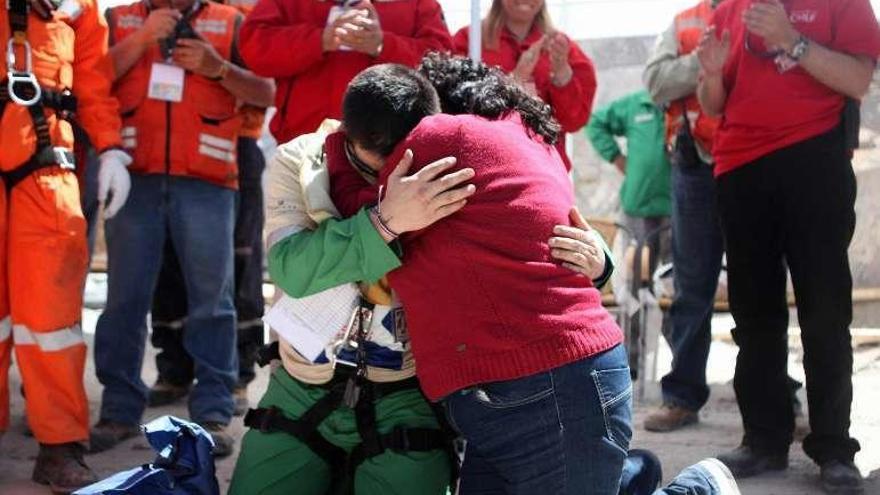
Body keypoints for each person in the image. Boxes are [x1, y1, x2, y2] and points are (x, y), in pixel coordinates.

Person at [696, 0, 880, 492]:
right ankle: (763, 439)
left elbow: (858, 80)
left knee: (824, 310)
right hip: (739, 167)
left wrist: (791, 41)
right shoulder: (731, 9)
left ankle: (835, 448)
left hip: (815, 160)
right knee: (753, 314)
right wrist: (711, 75)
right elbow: (713, 103)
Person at [90, 0, 274, 458]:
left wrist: (218, 68)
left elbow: (266, 92)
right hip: (136, 177)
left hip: (209, 181)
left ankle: (212, 412)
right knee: (125, 300)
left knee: (214, 301)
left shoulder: (232, 22)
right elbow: (90, 81)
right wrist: (141, 40)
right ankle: (118, 410)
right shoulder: (118, 20)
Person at [0, 0, 131, 490]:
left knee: (52, 320)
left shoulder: (80, 7)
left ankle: (59, 446)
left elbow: (96, 84)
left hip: (47, 167)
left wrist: (112, 148)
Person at [146, 0, 271, 417]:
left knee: (238, 268)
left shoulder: (244, 15)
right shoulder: (149, 13)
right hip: (166, 156)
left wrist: (217, 67)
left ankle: (235, 375)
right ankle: (175, 370)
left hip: (234, 152)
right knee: (167, 264)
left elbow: (268, 89)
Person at [640, 0, 724, 433]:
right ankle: (682, 396)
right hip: (695, 165)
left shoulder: (771, 12)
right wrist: (707, 63)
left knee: (761, 285)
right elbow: (656, 82)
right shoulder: (685, 22)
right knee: (692, 286)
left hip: (756, 161)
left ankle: (776, 397)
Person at [238, 0, 452, 144]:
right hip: (304, 146)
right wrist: (319, 40)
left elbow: (442, 64)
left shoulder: (418, 4)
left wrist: (383, 45)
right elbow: (253, 46)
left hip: (389, 151)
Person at [452, 0, 597, 170]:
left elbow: (574, 121)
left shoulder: (564, 48)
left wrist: (562, 72)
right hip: (488, 168)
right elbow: (453, 109)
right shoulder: (468, 41)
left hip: (545, 169)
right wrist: (515, 79)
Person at [585, 88, 672, 272]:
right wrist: (616, 157)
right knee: (635, 271)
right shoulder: (636, 104)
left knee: (676, 274)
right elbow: (595, 122)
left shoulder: (685, 101)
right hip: (639, 203)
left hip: (678, 206)